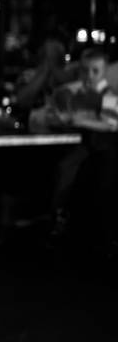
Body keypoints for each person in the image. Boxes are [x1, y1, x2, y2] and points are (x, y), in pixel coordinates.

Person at [37, 47, 118, 239]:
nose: (89, 75)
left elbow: (110, 124)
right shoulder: (76, 93)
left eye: (95, 71)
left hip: (101, 149)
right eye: (85, 70)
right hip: (81, 146)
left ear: (104, 71)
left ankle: (60, 214)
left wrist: (77, 120)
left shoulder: (108, 96)